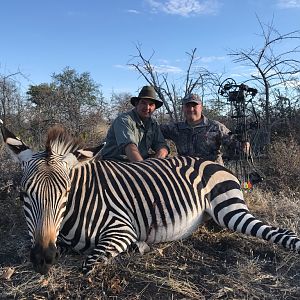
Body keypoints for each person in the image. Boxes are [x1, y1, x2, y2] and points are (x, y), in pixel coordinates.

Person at [160, 93, 249, 165]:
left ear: (201, 107)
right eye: (188, 106)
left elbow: (235, 145)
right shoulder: (176, 129)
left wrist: (244, 146)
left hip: (213, 175)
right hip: (186, 177)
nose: (191, 109)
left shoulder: (216, 127)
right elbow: (154, 131)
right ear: (183, 108)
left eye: (194, 105)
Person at [101, 85, 169, 162]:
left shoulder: (153, 123)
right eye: (143, 103)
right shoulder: (124, 120)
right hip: (115, 163)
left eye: (151, 104)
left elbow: (162, 145)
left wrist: (158, 160)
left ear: (154, 108)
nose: (147, 107)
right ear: (136, 104)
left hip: (138, 163)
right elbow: (130, 147)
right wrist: (144, 169)